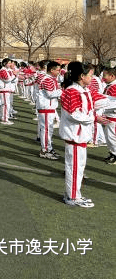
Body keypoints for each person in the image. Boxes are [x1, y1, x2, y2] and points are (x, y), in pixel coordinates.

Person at [59, 61, 110, 207]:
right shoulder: (71, 92)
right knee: (74, 168)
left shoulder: (84, 90)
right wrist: (94, 117)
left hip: (80, 137)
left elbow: (100, 101)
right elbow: (74, 114)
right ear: (82, 76)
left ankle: (75, 194)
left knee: (79, 168)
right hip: (74, 137)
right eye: (90, 75)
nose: (93, 78)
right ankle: (72, 197)